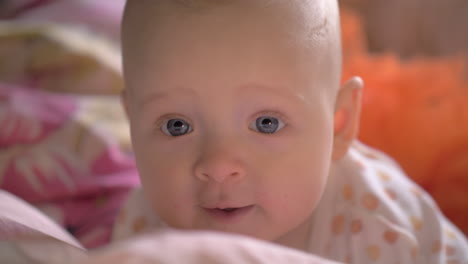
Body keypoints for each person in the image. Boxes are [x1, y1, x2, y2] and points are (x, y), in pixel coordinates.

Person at [117, 0, 468, 263]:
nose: (219, 165)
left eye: (266, 123)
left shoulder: (389, 233)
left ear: (340, 123)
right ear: (133, 123)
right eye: (176, 126)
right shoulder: (144, 230)